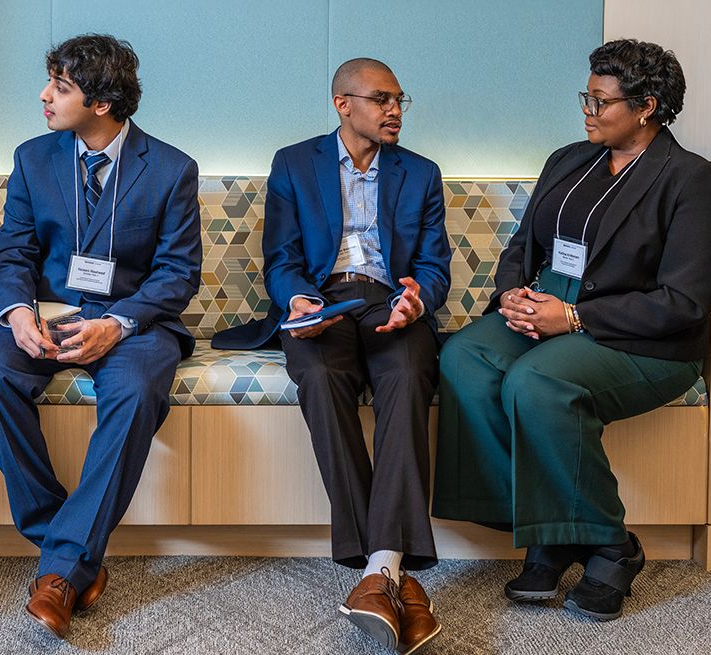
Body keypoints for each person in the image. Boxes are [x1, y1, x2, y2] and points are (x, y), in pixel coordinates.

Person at [431, 38, 711, 621]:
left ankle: (611, 546)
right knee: (465, 358)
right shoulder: (568, 159)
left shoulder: (695, 181)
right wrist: (511, 293)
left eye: (601, 101)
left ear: (646, 106)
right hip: (545, 307)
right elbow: (526, 245)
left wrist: (573, 316)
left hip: (638, 339)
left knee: (536, 382)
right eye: (586, 98)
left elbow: (685, 302)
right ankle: (552, 528)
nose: (587, 111)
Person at [0, 34, 202, 639]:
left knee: (136, 392)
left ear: (101, 103)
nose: (44, 96)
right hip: (44, 311)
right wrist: (16, 312)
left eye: (61, 87)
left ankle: (59, 572)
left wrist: (116, 322)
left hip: (134, 321)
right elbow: (15, 251)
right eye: (50, 82)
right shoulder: (33, 157)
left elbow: (178, 273)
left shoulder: (172, 169)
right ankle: (67, 554)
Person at [213, 58, 449, 653]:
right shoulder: (295, 163)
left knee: (409, 370)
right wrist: (297, 301)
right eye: (381, 99)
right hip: (323, 299)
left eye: (400, 100)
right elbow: (282, 257)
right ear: (343, 104)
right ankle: (394, 570)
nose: (395, 110)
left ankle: (377, 572)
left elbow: (434, 268)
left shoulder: (421, 174)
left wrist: (417, 303)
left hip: (392, 300)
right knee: (317, 373)